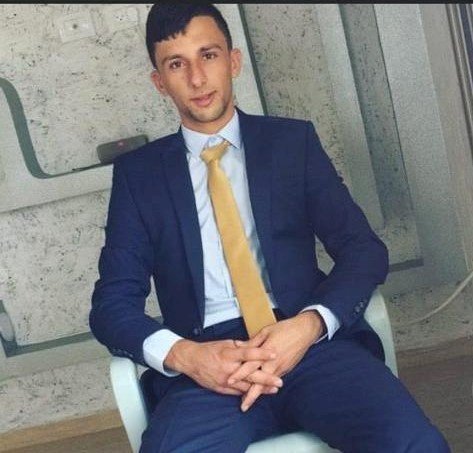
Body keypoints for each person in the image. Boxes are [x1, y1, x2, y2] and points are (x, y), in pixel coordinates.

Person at [89, 3, 449, 452]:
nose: (197, 78)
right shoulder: (139, 176)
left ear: (233, 61)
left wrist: (310, 325)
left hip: (309, 346)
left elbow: (363, 250)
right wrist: (189, 357)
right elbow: (110, 306)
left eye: (208, 55)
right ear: (160, 82)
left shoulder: (291, 143)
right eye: (177, 64)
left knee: (414, 443)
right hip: (209, 370)